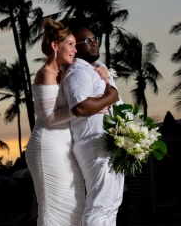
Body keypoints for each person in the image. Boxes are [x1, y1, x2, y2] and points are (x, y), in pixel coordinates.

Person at [27, 19, 104, 226]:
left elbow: (90, 71)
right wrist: (87, 108)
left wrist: (101, 70)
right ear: (55, 46)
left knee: (76, 206)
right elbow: (51, 118)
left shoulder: (65, 72)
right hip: (47, 146)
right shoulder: (46, 74)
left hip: (65, 146)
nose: (75, 49)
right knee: (55, 209)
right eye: (70, 44)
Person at [64, 26, 123, 226]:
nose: (94, 42)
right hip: (95, 143)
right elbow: (80, 106)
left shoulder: (97, 69)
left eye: (95, 38)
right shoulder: (78, 72)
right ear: (76, 49)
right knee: (100, 204)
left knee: (112, 204)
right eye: (87, 41)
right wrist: (110, 97)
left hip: (112, 142)